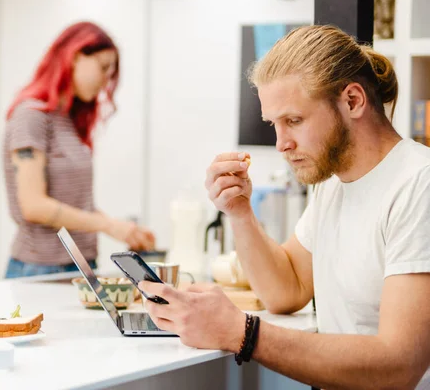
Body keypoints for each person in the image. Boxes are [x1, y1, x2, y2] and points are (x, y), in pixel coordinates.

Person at [140, 25, 430, 389]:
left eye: (293, 121)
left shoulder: (419, 184)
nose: (281, 143)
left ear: (353, 100)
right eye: (274, 124)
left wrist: (241, 332)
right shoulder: (333, 185)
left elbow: (398, 366)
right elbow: (285, 290)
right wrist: (240, 212)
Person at [2, 22, 155, 279]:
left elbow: (75, 205)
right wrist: (109, 226)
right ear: (74, 56)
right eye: (103, 67)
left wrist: (124, 228)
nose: (107, 79)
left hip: (80, 266)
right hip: (40, 270)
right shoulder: (32, 116)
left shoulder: (67, 120)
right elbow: (33, 206)